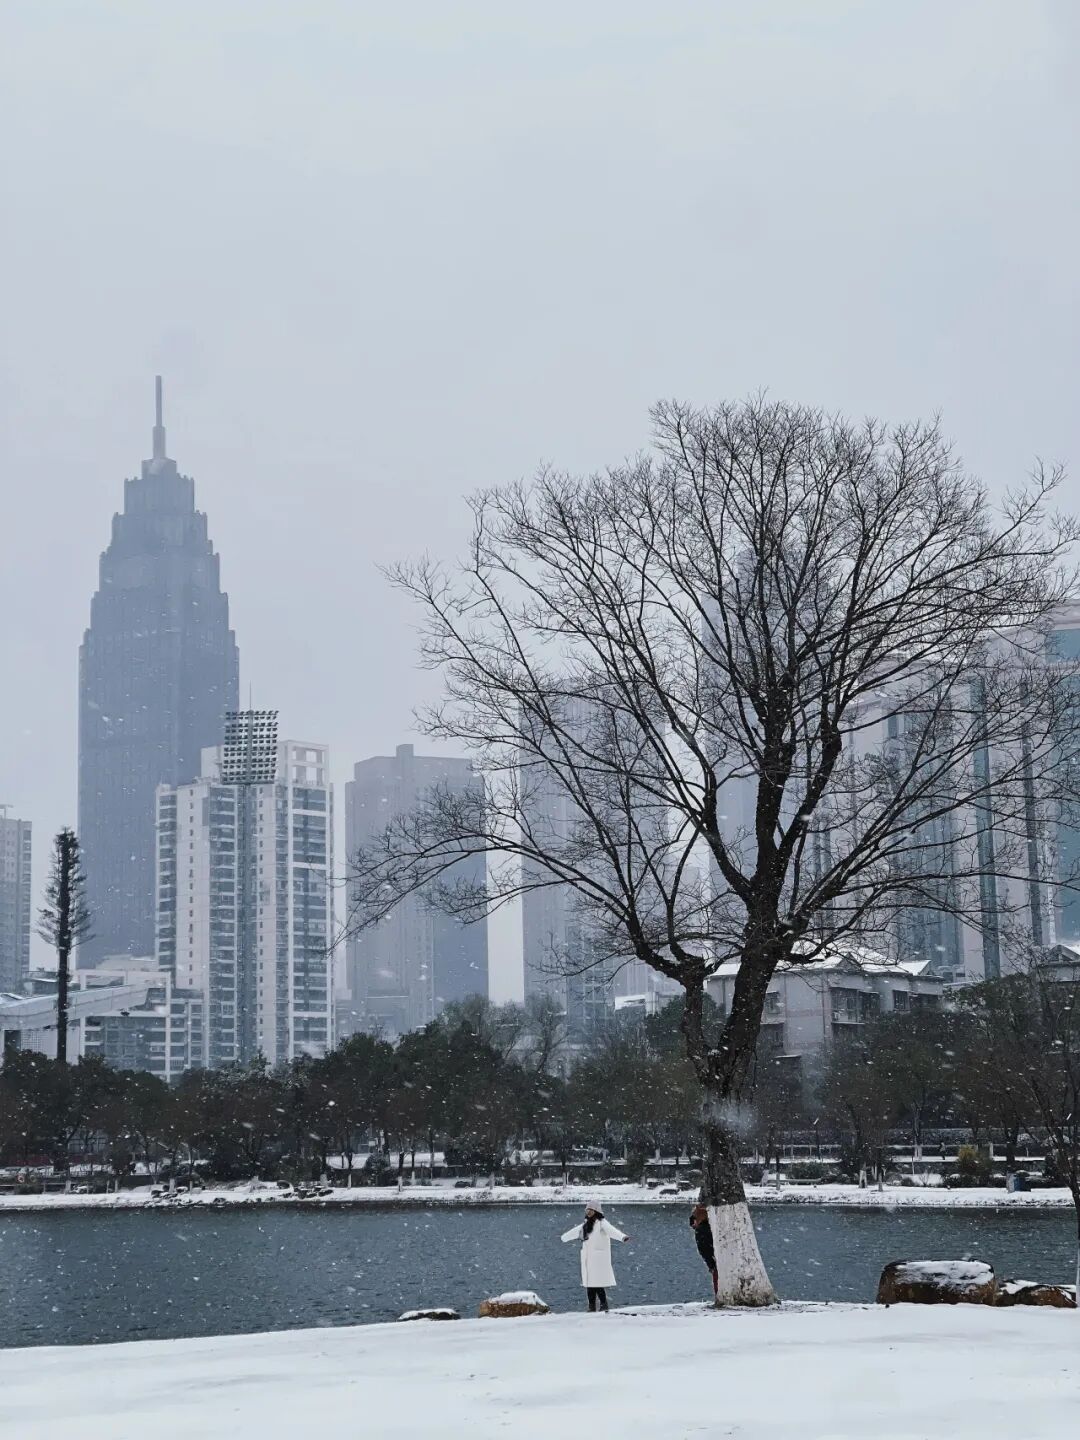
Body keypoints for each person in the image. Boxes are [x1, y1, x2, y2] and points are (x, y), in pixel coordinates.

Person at [561, 1199, 630, 1312]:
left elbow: (612, 1230)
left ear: (596, 1211)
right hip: (588, 1258)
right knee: (590, 1284)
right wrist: (564, 1238)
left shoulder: (602, 1223)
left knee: (597, 1284)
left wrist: (622, 1237)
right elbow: (574, 1232)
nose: (588, 1212)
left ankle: (604, 1305)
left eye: (591, 1210)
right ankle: (591, 1307)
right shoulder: (585, 1225)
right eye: (587, 1210)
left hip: (598, 1259)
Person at [689, 1203, 719, 1302]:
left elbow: (704, 1250)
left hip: (715, 1261)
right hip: (721, 1259)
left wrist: (711, 1265)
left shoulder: (701, 1230)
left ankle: (719, 1297)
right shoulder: (713, 1227)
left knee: (717, 1279)